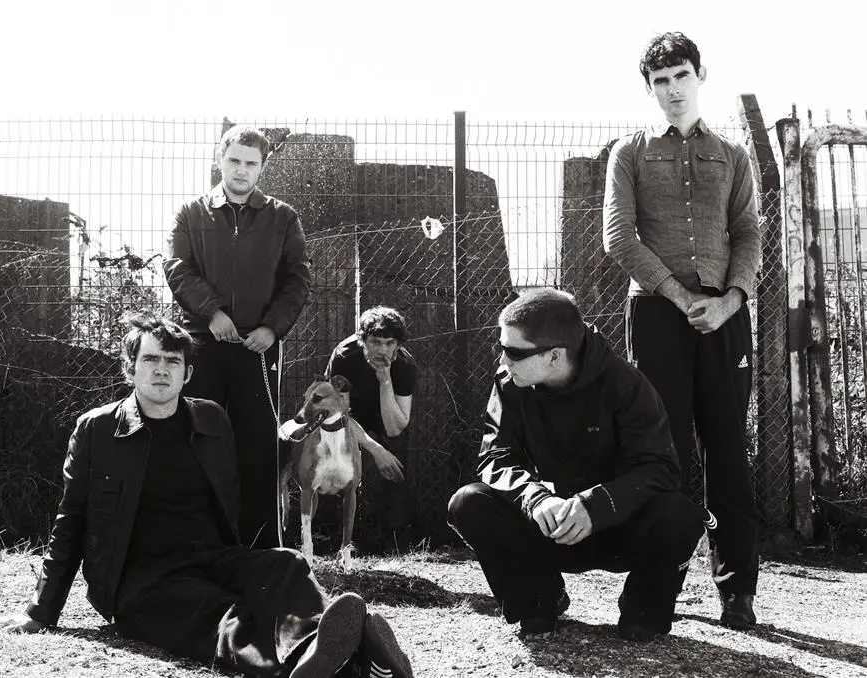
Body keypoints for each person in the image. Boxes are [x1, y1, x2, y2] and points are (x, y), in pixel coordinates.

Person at [0, 313, 412, 678]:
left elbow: (231, 501)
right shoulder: (97, 430)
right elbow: (70, 521)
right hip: (141, 577)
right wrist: (40, 610)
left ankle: (324, 646)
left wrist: (248, 564)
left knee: (285, 564)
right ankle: (321, 661)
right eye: (150, 359)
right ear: (130, 368)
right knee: (219, 613)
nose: (161, 370)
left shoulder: (211, 420)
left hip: (210, 556)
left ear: (187, 373)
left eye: (173, 361)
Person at [602, 32, 761, 629]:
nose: (673, 90)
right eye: (661, 81)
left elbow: (747, 232)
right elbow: (618, 238)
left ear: (700, 76)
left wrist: (731, 301)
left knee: (728, 450)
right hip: (657, 314)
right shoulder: (630, 152)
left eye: (681, 76)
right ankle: (656, 590)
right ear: (649, 88)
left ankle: (737, 591)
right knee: (661, 452)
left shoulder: (733, 155)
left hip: (724, 319)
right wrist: (678, 294)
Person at [447, 289, 704, 641]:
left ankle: (643, 607)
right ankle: (540, 599)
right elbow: (495, 457)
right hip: (551, 524)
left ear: (555, 355)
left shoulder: (626, 384)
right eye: (501, 347)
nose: (503, 360)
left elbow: (661, 468)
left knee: (682, 514)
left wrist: (596, 506)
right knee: (468, 502)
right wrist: (536, 499)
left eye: (514, 352)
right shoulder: (511, 382)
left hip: (619, 528)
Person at [164, 124, 311, 550]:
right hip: (202, 342)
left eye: (251, 163)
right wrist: (211, 312)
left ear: (263, 167)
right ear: (219, 160)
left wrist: (271, 328)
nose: (241, 170)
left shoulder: (283, 217)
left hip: (257, 347)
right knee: (197, 439)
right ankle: (195, 546)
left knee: (258, 449)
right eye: (234, 161)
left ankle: (261, 551)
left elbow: (298, 279)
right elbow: (177, 268)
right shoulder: (190, 213)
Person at [325, 307, 416, 552]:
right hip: (349, 414)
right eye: (375, 342)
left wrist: (385, 379)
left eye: (389, 343)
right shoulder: (344, 357)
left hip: (385, 411)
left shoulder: (405, 364)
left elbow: (396, 427)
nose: (382, 350)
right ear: (362, 341)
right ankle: (348, 538)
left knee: (396, 456)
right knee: (346, 457)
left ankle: (394, 537)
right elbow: (339, 415)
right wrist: (375, 450)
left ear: (397, 344)